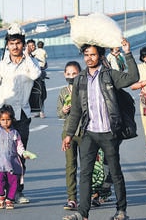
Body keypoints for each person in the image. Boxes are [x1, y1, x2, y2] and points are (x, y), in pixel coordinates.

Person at [61, 39, 140, 220]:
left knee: (115, 171)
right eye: (86, 55)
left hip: (109, 133)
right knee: (85, 174)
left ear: (100, 56)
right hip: (89, 132)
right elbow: (75, 111)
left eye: (93, 54)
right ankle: (82, 213)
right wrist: (69, 134)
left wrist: (128, 53)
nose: (89, 58)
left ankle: (121, 211)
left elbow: (133, 78)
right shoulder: (80, 78)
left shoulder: (110, 75)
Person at [0, 24, 41, 204]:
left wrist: (27, 56)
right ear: (7, 46)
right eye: (11, 43)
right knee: (3, 157)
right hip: (2, 117)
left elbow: (35, 75)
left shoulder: (31, 64)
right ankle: (3, 191)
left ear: (23, 45)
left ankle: (17, 192)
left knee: (19, 156)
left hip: (22, 115)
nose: (15, 47)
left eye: (18, 43)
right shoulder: (0, 66)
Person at [57, 61, 82, 210]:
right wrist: (64, 110)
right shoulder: (63, 92)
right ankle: (72, 198)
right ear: (64, 74)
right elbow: (59, 112)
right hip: (68, 133)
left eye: (75, 73)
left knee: (87, 166)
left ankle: (90, 195)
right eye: (69, 74)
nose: (71, 76)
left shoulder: (85, 89)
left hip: (85, 132)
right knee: (70, 166)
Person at [28, 39, 48, 118]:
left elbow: (45, 64)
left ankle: (40, 110)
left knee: (42, 94)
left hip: (40, 78)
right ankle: (38, 111)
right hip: (29, 79)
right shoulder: (24, 57)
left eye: (33, 45)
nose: (32, 47)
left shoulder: (35, 55)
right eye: (30, 46)